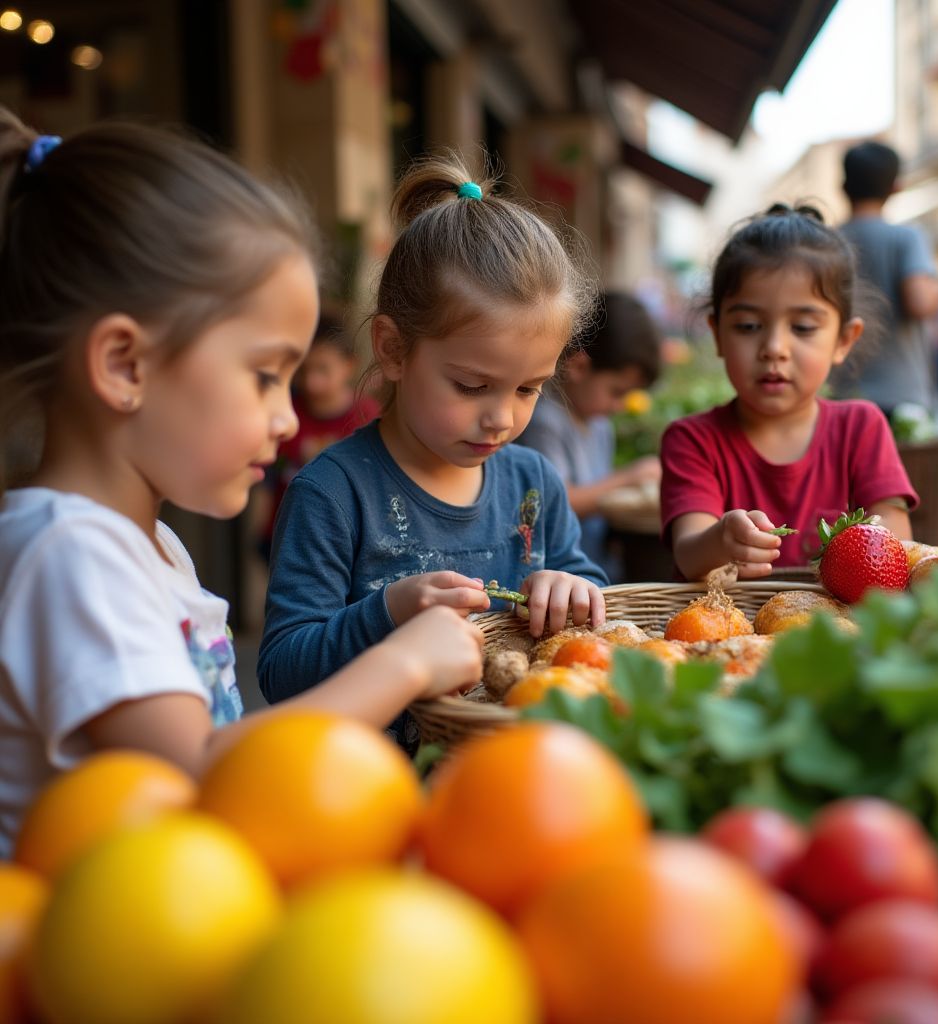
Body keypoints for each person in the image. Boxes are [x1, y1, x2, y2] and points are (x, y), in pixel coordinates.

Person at [0, 109, 484, 853]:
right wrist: (403, 663)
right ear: (125, 365)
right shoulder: (73, 555)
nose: (287, 421)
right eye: (264, 377)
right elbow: (199, 776)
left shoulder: (146, 546)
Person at [258, 156, 608, 738]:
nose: (501, 417)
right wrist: (387, 612)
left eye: (529, 389)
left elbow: (583, 587)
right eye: (472, 386)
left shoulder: (533, 482)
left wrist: (575, 588)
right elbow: (282, 673)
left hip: (519, 774)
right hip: (373, 789)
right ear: (393, 349)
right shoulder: (334, 494)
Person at [660, 204, 918, 581]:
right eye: (748, 326)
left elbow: (895, 545)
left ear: (844, 339)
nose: (774, 347)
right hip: (725, 634)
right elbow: (689, 552)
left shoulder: (861, 428)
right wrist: (722, 540)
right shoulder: (693, 440)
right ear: (717, 335)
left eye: (802, 327)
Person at [516, 291, 661, 573]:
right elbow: (557, 500)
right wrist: (630, 478)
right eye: (616, 392)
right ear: (579, 365)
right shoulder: (545, 419)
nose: (621, 405)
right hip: (555, 573)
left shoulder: (598, 424)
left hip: (593, 564)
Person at [255, 305, 379, 562]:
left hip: (346, 539)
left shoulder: (366, 416)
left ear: (349, 365)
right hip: (286, 534)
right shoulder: (286, 412)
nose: (311, 381)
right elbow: (267, 477)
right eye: (303, 370)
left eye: (323, 370)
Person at [829, 140, 938, 415]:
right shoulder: (906, 238)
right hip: (900, 395)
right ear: (897, 187)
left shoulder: (826, 242)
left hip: (838, 395)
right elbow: (920, 303)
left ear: (843, 187)